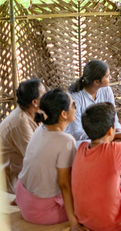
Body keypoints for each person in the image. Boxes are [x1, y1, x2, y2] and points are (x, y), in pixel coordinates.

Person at [15, 88, 86, 231]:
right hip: (39, 211)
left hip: (22, 196)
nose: (75, 107)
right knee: (89, 205)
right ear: (63, 114)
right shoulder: (65, 140)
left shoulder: (40, 129)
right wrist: (73, 223)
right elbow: (64, 185)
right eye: (73, 104)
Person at [72, 102, 121, 231]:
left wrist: (113, 137)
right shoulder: (114, 150)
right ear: (110, 130)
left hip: (84, 219)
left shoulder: (82, 148)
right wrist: (117, 138)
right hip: (116, 222)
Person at [0, 79, 46, 194]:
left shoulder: (35, 113)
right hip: (11, 179)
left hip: (24, 171)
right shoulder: (20, 122)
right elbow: (35, 160)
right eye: (44, 95)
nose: (47, 97)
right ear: (35, 102)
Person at [66, 60, 121, 141]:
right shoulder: (74, 98)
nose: (110, 78)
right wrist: (101, 138)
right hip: (80, 140)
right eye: (107, 76)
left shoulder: (107, 90)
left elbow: (113, 118)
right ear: (96, 82)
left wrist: (118, 131)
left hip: (103, 136)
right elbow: (76, 132)